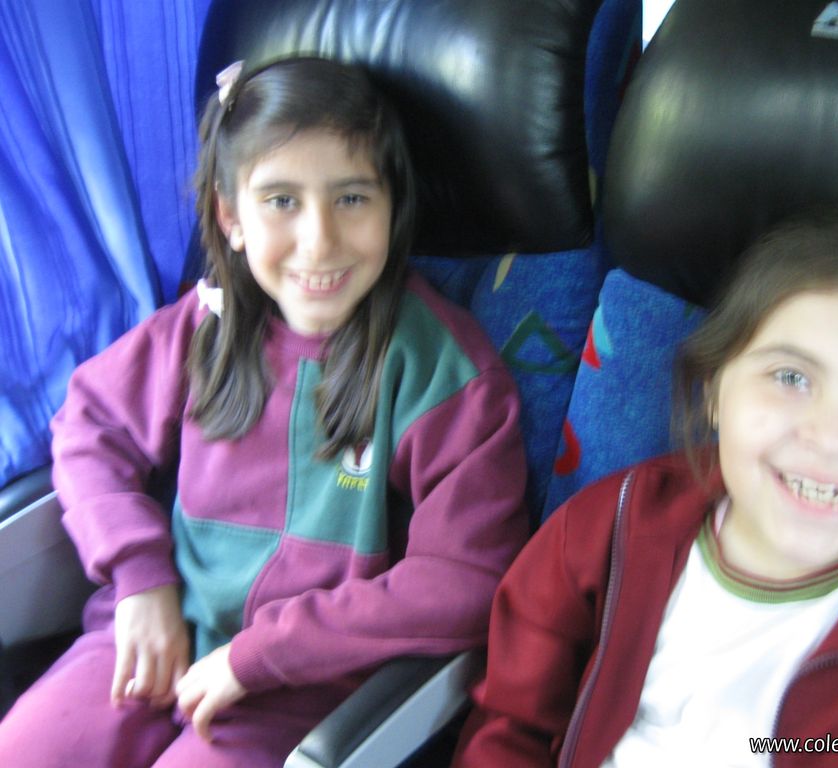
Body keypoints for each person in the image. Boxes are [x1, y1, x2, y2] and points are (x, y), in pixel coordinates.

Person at [0, 57, 528, 767]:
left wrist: (261, 654)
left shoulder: (446, 371)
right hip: (155, 632)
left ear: (392, 204)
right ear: (232, 217)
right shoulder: (202, 327)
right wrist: (140, 580)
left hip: (305, 682)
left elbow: (465, 579)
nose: (319, 240)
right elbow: (88, 427)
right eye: (281, 200)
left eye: (352, 198)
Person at [453, 208, 838, 767]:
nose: (832, 438)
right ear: (714, 393)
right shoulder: (610, 524)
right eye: (791, 377)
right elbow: (512, 722)